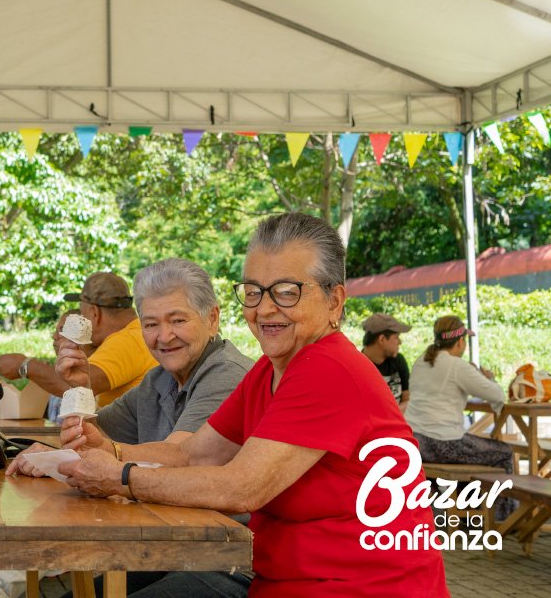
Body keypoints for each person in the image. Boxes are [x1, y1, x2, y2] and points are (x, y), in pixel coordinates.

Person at [57, 213, 448, 597]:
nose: (264, 309)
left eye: (287, 292)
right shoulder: (268, 370)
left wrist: (120, 476)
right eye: (253, 291)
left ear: (334, 301)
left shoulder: (329, 368)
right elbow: (193, 454)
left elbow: (240, 488)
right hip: (279, 580)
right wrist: (111, 450)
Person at [0, 258, 254, 598]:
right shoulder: (158, 379)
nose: (164, 336)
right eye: (151, 324)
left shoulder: (227, 374)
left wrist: (101, 455)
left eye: (178, 320)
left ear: (212, 319)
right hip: (174, 547)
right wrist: (77, 394)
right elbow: (92, 441)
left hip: (232, 557)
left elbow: (181, 456)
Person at [405, 315, 514, 519]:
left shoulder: (421, 361)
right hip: (442, 444)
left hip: (416, 441)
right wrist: (488, 378)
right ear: (460, 341)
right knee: (504, 453)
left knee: (471, 454)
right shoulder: (457, 366)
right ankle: (503, 518)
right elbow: (496, 395)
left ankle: (470, 513)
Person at [54, 272, 159, 407]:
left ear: (94, 312)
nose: (81, 319)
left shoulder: (125, 341)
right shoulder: (138, 332)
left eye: (82, 313)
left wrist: (29, 366)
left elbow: (75, 383)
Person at [360, 312, 411, 408]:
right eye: (396, 337)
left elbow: (407, 399)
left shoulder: (398, 360)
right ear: (382, 339)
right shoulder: (358, 368)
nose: (400, 342)